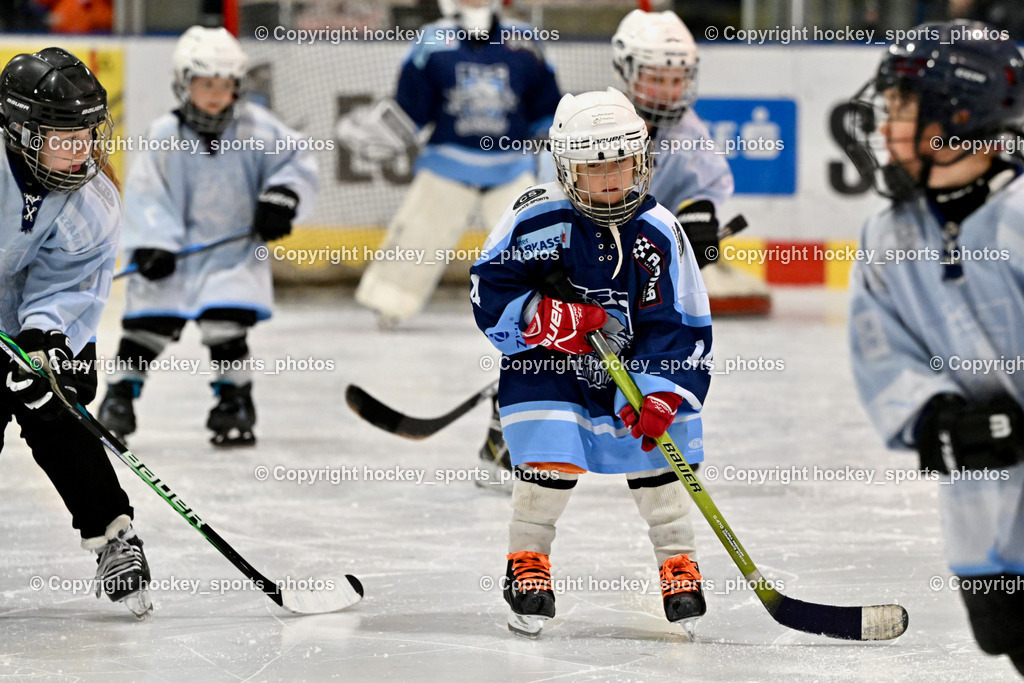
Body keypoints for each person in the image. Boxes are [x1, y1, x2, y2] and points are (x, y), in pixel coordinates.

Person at [471, 88, 713, 637]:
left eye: (621, 162)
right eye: (592, 166)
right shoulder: (534, 220)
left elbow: (681, 324)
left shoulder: (660, 231)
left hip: (637, 367)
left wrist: (662, 392)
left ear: (640, 160)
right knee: (548, 451)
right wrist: (550, 318)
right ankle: (527, 561)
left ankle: (678, 561)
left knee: (662, 454)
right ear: (566, 169)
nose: (609, 177)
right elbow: (488, 289)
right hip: (551, 369)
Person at [475, 9, 750, 489]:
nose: (667, 89)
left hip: (637, 273)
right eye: (655, 76)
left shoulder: (691, 135)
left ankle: (652, 440)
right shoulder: (589, 125)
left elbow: (704, 191)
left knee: (656, 347)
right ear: (626, 70)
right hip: (577, 268)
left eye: (676, 77)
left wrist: (698, 223)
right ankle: (512, 434)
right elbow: (553, 206)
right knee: (551, 358)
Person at [844, 20, 1024, 675]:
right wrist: (933, 418)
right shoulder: (890, 232)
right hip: (985, 508)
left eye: (899, 106)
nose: (884, 124)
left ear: (958, 114)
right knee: (1001, 629)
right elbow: (880, 346)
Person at [97, 26, 318, 447]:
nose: (216, 94)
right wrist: (154, 242)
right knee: (146, 327)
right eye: (205, 84)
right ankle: (119, 396)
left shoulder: (259, 128)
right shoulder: (163, 134)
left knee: (227, 327)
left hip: (231, 255)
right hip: (172, 255)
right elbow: (147, 193)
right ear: (184, 83)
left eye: (225, 85)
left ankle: (235, 400)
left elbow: (295, 164)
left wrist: (283, 196)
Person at [0, 47, 151, 617]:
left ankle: (114, 538)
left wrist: (43, 340)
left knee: (59, 413)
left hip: (45, 321)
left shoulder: (92, 202)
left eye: (87, 132)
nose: (80, 150)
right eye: (63, 136)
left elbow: (69, 285)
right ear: (19, 130)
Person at [351, 0, 561, 329]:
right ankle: (390, 302)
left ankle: (548, 309)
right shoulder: (431, 41)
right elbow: (413, 107)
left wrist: (554, 141)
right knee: (418, 236)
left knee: (534, 240)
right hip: (447, 164)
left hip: (511, 166)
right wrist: (386, 135)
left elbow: (546, 107)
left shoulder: (524, 40)